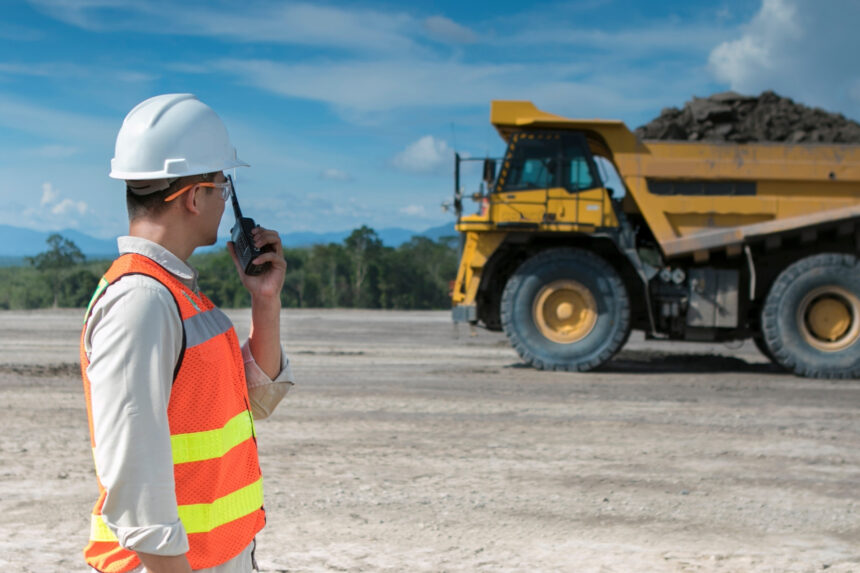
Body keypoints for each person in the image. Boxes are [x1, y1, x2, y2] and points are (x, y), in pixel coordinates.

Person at [79, 93, 294, 573]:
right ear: (195, 197)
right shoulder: (141, 301)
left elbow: (256, 399)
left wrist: (266, 301)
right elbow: (135, 480)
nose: (226, 201)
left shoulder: (179, 295)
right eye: (223, 186)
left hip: (213, 557)